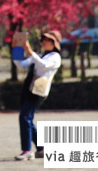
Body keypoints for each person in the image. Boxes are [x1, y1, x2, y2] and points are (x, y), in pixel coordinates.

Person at [12, 30, 62, 161]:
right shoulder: (40, 55)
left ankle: (27, 150)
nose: (44, 42)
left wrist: (30, 52)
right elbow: (21, 65)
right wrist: (16, 48)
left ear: (54, 43)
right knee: (27, 118)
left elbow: (43, 66)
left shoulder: (55, 57)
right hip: (29, 89)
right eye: (43, 40)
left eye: (48, 40)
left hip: (39, 91)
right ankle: (41, 148)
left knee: (25, 117)